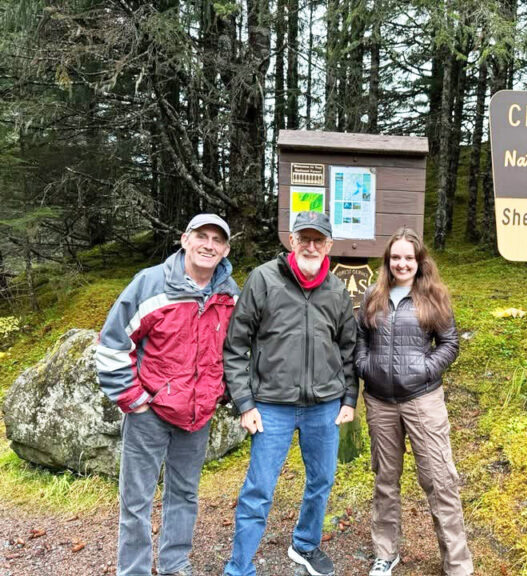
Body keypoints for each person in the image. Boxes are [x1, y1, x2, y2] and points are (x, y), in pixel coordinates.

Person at [95, 214, 239, 576]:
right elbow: (113, 344)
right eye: (201, 236)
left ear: (226, 249)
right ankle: (135, 571)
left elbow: (237, 349)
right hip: (150, 414)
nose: (209, 245)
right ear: (184, 239)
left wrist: (220, 393)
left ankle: (176, 565)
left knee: (185, 496)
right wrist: (135, 400)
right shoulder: (149, 284)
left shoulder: (229, 293)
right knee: (136, 502)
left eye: (217, 240)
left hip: (198, 416)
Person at [222, 210, 357, 576]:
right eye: (304, 238)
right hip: (271, 406)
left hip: (324, 406)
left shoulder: (337, 289)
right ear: (292, 241)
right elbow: (235, 346)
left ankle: (305, 545)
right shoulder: (263, 280)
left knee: (321, 480)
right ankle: (239, 567)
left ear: (329, 245)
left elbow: (349, 349)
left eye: (319, 240)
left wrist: (349, 399)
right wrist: (245, 403)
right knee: (260, 488)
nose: (311, 246)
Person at [355, 228, 474, 576]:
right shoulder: (372, 296)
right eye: (396, 257)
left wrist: (424, 369)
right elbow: (360, 339)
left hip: (423, 400)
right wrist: (366, 367)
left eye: (409, 257)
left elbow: (449, 344)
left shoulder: (433, 296)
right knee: (385, 479)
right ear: (388, 262)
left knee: (440, 480)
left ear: (419, 261)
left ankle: (457, 563)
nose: (402, 263)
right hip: (380, 402)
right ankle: (385, 553)